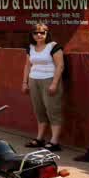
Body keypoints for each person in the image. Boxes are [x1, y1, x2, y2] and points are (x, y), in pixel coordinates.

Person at [22, 23, 65, 151]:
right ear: (32, 35)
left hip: (49, 79)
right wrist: (24, 82)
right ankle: (40, 138)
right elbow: (27, 66)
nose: (39, 35)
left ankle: (54, 141)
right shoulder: (30, 47)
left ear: (47, 33)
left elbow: (60, 66)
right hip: (34, 80)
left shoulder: (54, 46)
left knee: (53, 110)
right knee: (39, 110)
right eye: (36, 33)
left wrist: (54, 83)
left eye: (42, 32)